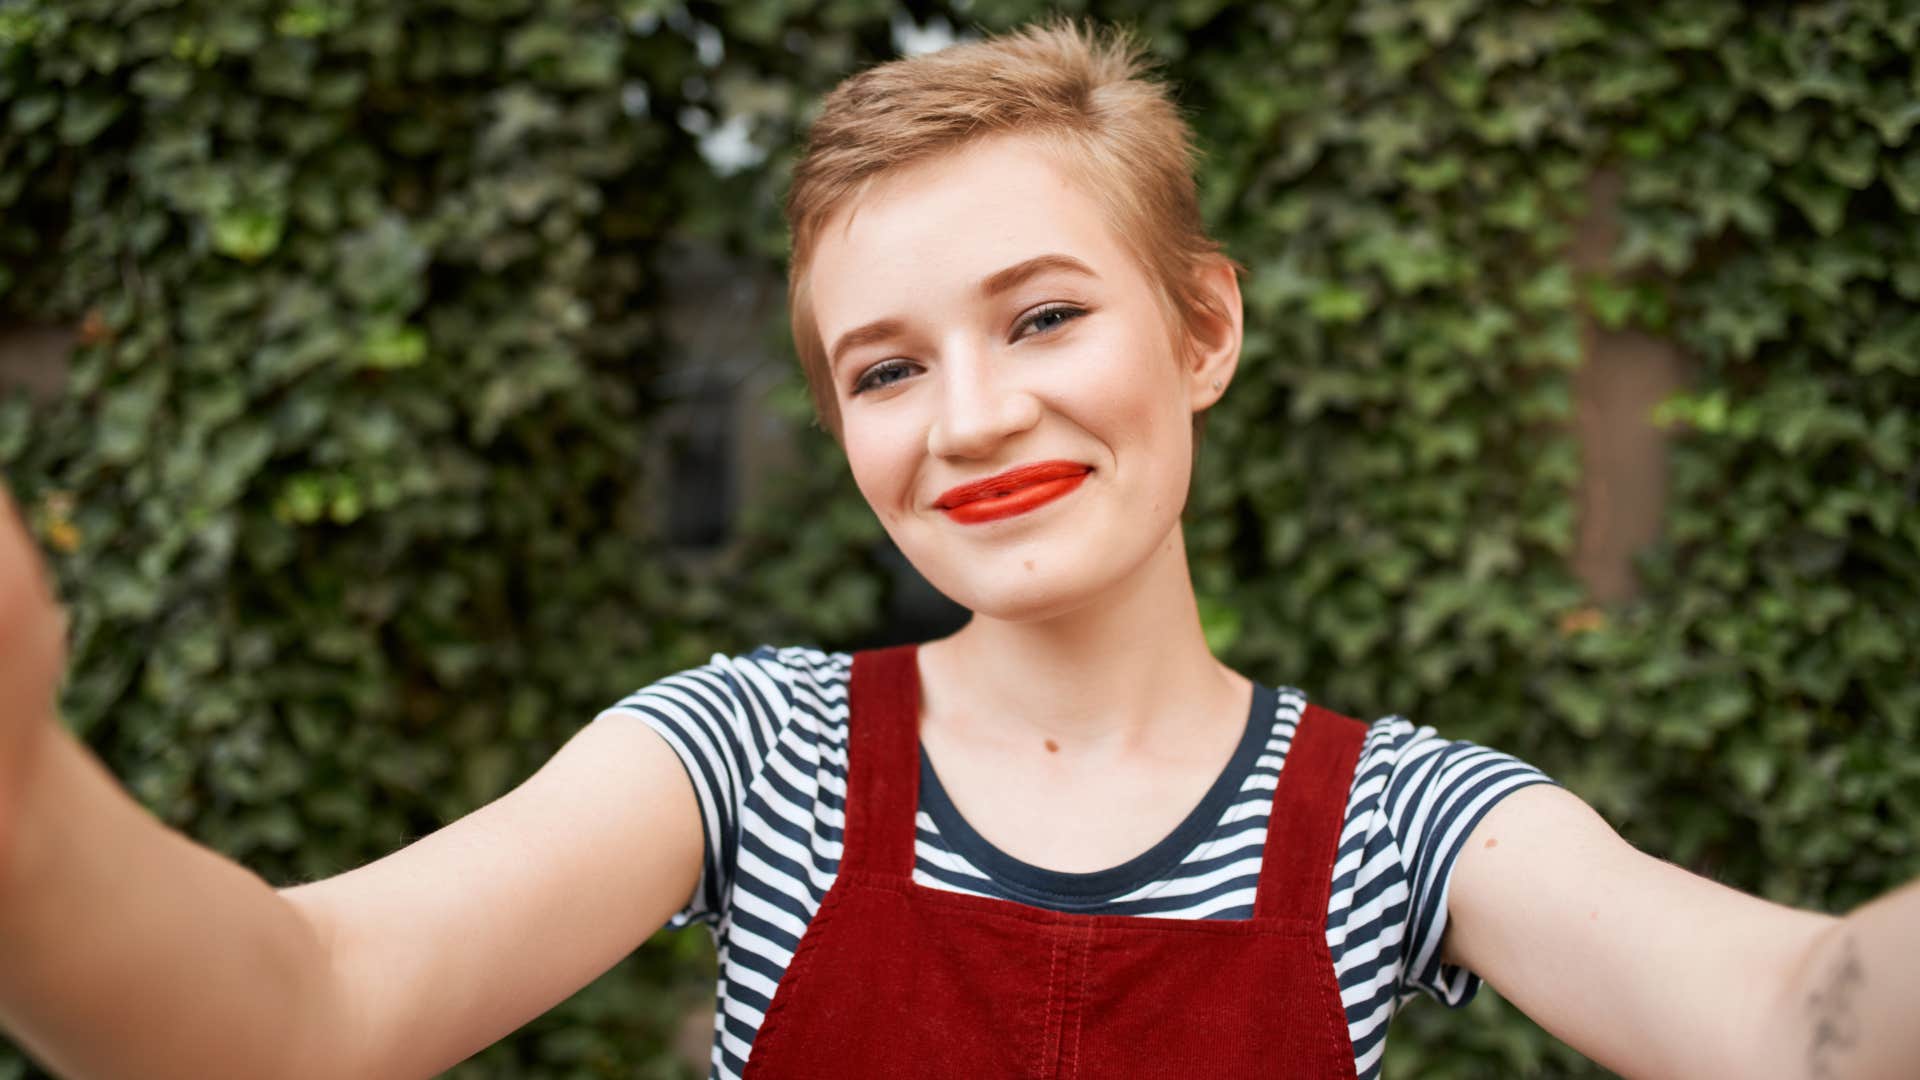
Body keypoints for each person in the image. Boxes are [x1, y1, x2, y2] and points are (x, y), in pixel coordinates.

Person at [1, 19, 1916, 1080]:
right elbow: (308, 1012)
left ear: (1203, 329)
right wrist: (15, 788)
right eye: (887, 366)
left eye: (1045, 317)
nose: (973, 416)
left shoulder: (1403, 821)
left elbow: (1792, 1018)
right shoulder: (748, 761)